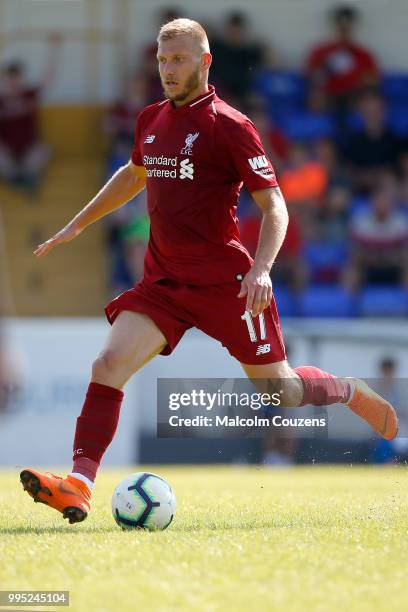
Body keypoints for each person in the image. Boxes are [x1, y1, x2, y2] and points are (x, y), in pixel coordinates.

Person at [20, 19, 398, 524]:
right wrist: (77, 224)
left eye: (179, 59)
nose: (168, 70)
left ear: (205, 61)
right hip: (164, 284)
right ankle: (79, 485)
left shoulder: (230, 125)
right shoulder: (150, 118)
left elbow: (276, 208)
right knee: (107, 365)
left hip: (229, 287)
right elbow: (134, 174)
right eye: (161, 60)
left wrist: (262, 270)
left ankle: (348, 389)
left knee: (280, 392)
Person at [0, 34, 61, 191]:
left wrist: (54, 48)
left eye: (16, 78)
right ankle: (21, 181)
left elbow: (49, 77)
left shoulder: (29, 94)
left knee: (42, 152)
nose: (13, 82)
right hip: (7, 150)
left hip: (29, 147)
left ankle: (24, 180)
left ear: (21, 78)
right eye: (10, 78)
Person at [306, 5, 379, 117]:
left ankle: (363, 133)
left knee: (370, 100)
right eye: (340, 26)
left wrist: (358, 81)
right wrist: (328, 69)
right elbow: (311, 77)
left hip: (353, 96)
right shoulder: (320, 52)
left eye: (347, 26)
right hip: (329, 95)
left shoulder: (364, 54)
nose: (344, 31)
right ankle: (320, 130)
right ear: (335, 26)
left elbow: (373, 80)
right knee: (316, 97)